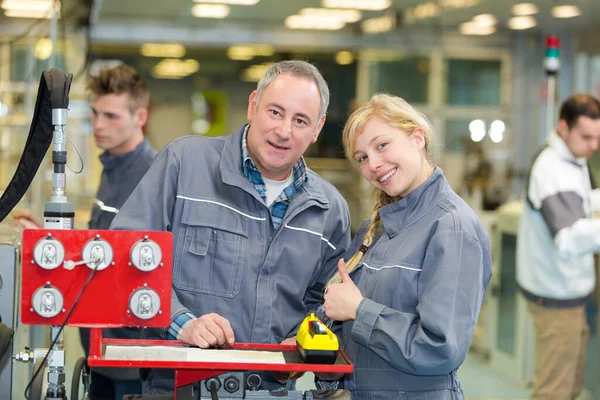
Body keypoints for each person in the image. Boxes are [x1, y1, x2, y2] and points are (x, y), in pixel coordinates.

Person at [109, 60, 351, 394]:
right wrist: (182, 323)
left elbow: (323, 305)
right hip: (179, 388)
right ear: (253, 106)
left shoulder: (330, 210)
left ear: (318, 128)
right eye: (275, 112)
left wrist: (301, 344)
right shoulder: (184, 165)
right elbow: (125, 256)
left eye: (300, 121)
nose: (284, 131)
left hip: (271, 392)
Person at [321, 94, 492, 399]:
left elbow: (439, 348)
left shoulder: (452, 229)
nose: (373, 164)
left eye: (382, 145)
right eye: (362, 157)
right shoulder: (375, 229)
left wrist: (359, 311)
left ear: (417, 137)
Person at [14, 64, 156, 400]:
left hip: (132, 354)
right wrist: (56, 241)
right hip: (99, 346)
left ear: (140, 118)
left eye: (111, 116)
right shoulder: (112, 167)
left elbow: (136, 263)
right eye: (95, 113)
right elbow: (103, 244)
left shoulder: (153, 175)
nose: (98, 125)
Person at [516, 93, 600, 400]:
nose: (594, 146)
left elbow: (579, 203)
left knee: (570, 386)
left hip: (571, 294)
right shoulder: (551, 169)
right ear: (563, 127)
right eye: (586, 137)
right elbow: (568, 237)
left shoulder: (571, 159)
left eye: (598, 137)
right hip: (555, 298)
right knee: (554, 392)